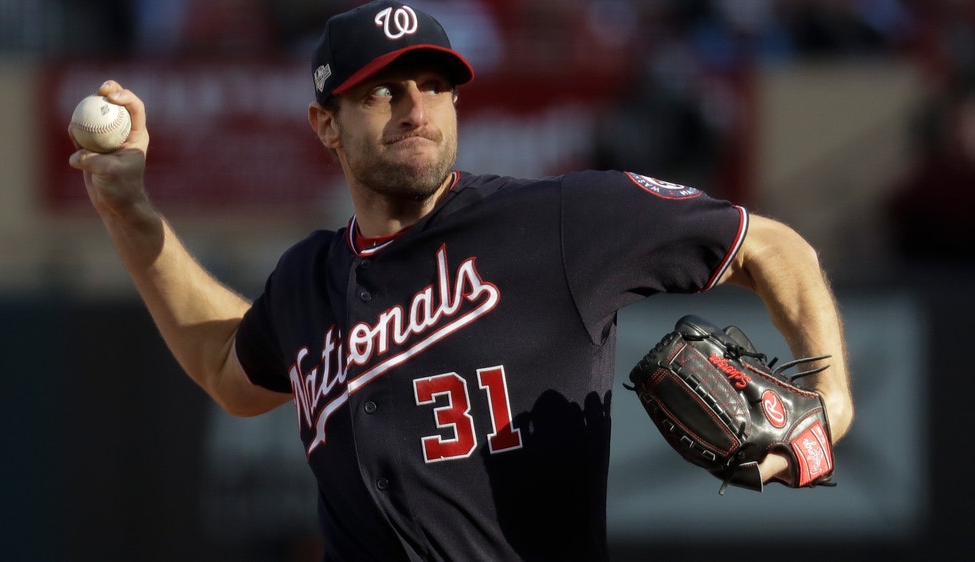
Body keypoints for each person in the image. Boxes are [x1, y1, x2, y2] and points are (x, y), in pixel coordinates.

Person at [68, 1, 854, 560]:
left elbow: (773, 247)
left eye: (434, 85)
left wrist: (834, 404)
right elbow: (226, 372)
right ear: (325, 126)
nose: (417, 108)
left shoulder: (558, 221)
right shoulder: (306, 278)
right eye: (383, 90)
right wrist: (130, 212)